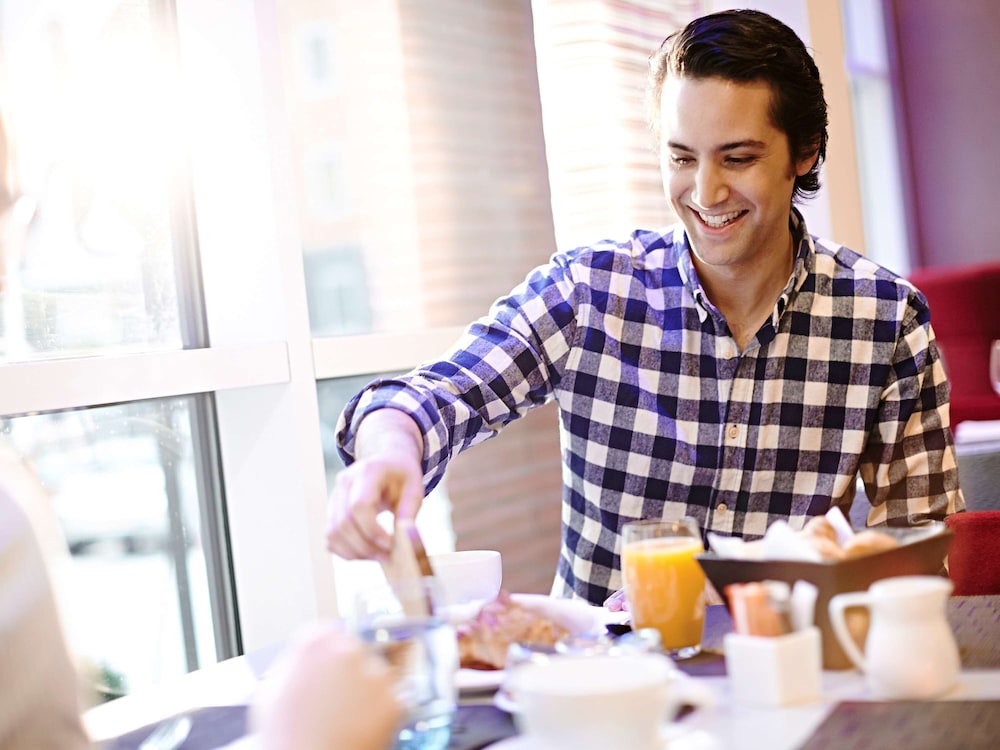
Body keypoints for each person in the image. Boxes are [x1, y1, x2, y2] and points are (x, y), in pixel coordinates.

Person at [328, 9, 964, 607]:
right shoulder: (590, 292)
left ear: (805, 152)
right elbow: (441, 395)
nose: (706, 192)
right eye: (682, 157)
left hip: (782, 673)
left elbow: (915, 552)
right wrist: (389, 451)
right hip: (603, 684)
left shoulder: (885, 319)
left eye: (738, 158)